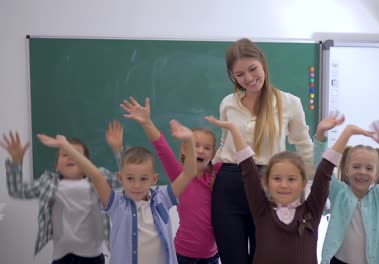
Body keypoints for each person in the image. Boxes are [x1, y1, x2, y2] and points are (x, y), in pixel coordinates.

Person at [37, 119, 198, 264]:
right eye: (130, 178)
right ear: (120, 178)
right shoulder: (117, 204)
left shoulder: (163, 198)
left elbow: (189, 173)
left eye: (143, 179)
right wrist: (66, 147)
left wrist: (190, 141)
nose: (136, 185)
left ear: (154, 179)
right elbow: (95, 175)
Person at [212, 38, 314, 263]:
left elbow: (303, 144)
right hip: (229, 184)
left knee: (266, 257)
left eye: (252, 69)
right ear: (233, 76)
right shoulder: (228, 103)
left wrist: (305, 187)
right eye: (240, 75)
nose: (248, 78)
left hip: (270, 186)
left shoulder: (289, 102)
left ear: (263, 63)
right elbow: (224, 144)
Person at [206, 115, 347, 264]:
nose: (284, 185)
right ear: (267, 182)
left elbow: (325, 172)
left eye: (291, 179)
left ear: (304, 183)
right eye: (277, 178)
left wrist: (345, 133)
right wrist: (233, 129)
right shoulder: (262, 210)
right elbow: (248, 168)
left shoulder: (311, 210)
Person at [1, 121, 124, 264]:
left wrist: (118, 149)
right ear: (57, 165)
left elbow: (125, 178)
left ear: (87, 163)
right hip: (61, 257)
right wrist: (16, 162)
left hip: (92, 257)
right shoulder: (48, 183)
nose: (70, 157)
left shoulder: (97, 180)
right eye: (65, 154)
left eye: (76, 154)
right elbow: (17, 191)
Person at [121, 97, 220, 264]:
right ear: (184, 149)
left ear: (213, 153)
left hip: (213, 256)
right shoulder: (179, 175)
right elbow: (161, 147)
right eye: (195, 145)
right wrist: (146, 122)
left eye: (207, 147)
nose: (201, 151)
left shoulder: (218, 175)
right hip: (183, 255)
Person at [314, 118, 379, 264]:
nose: (362, 172)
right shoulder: (338, 192)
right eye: (356, 167)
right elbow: (321, 168)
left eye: (369, 168)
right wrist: (321, 133)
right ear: (347, 169)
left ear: (376, 173)